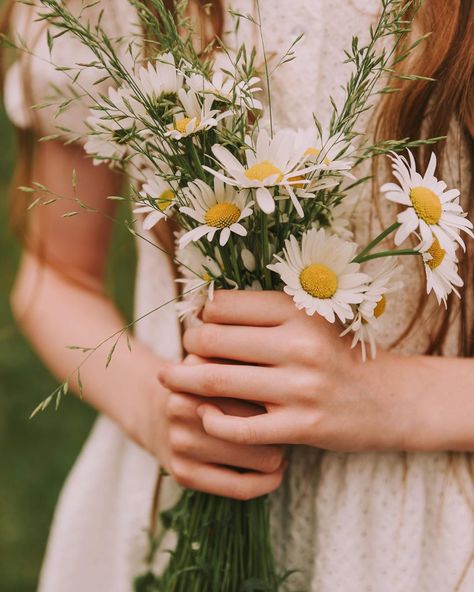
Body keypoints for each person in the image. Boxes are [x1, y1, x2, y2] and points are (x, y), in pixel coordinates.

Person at [2, 0, 473, 590]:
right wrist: (155, 408)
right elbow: (54, 276)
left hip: (426, 531)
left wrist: (386, 395)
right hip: (175, 486)